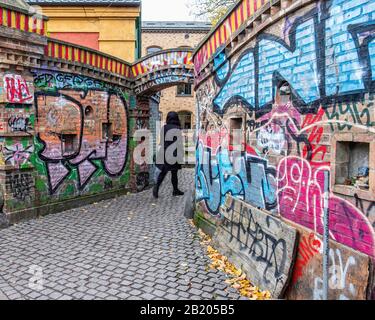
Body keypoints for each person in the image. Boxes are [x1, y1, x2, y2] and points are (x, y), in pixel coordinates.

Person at [153, 111, 185, 199]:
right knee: (174, 173)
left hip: (164, 152)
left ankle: (156, 187)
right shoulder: (177, 128)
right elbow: (179, 143)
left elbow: (162, 141)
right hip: (174, 153)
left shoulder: (164, 128)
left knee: (163, 172)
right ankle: (175, 190)